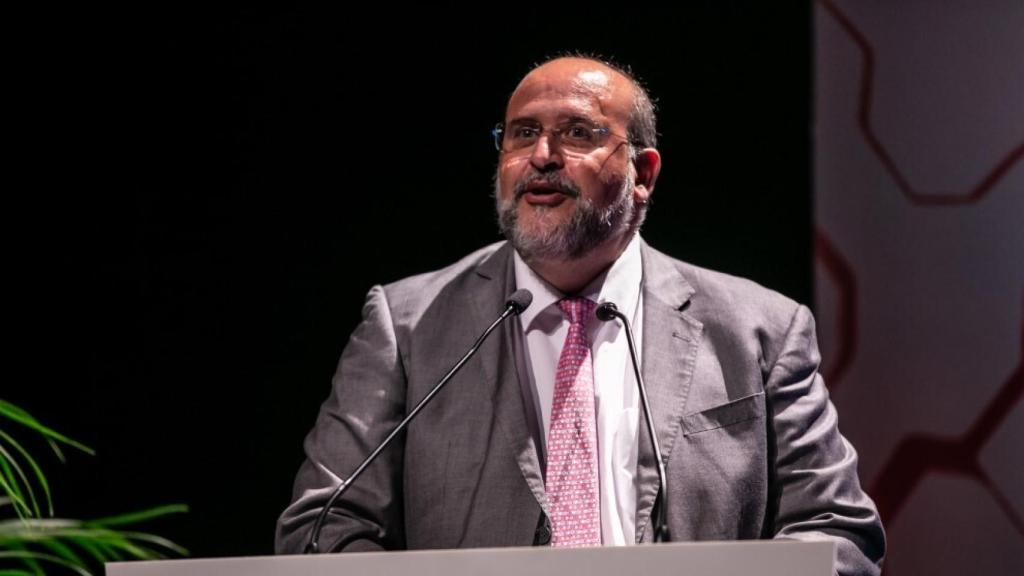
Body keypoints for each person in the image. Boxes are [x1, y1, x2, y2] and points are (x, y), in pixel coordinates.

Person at [276, 55, 885, 575]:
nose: (541, 156)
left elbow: (835, 527)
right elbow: (323, 526)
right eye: (520, 134)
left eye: (577, 133)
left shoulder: (760, 329)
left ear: (642, 174)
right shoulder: (407, 325)